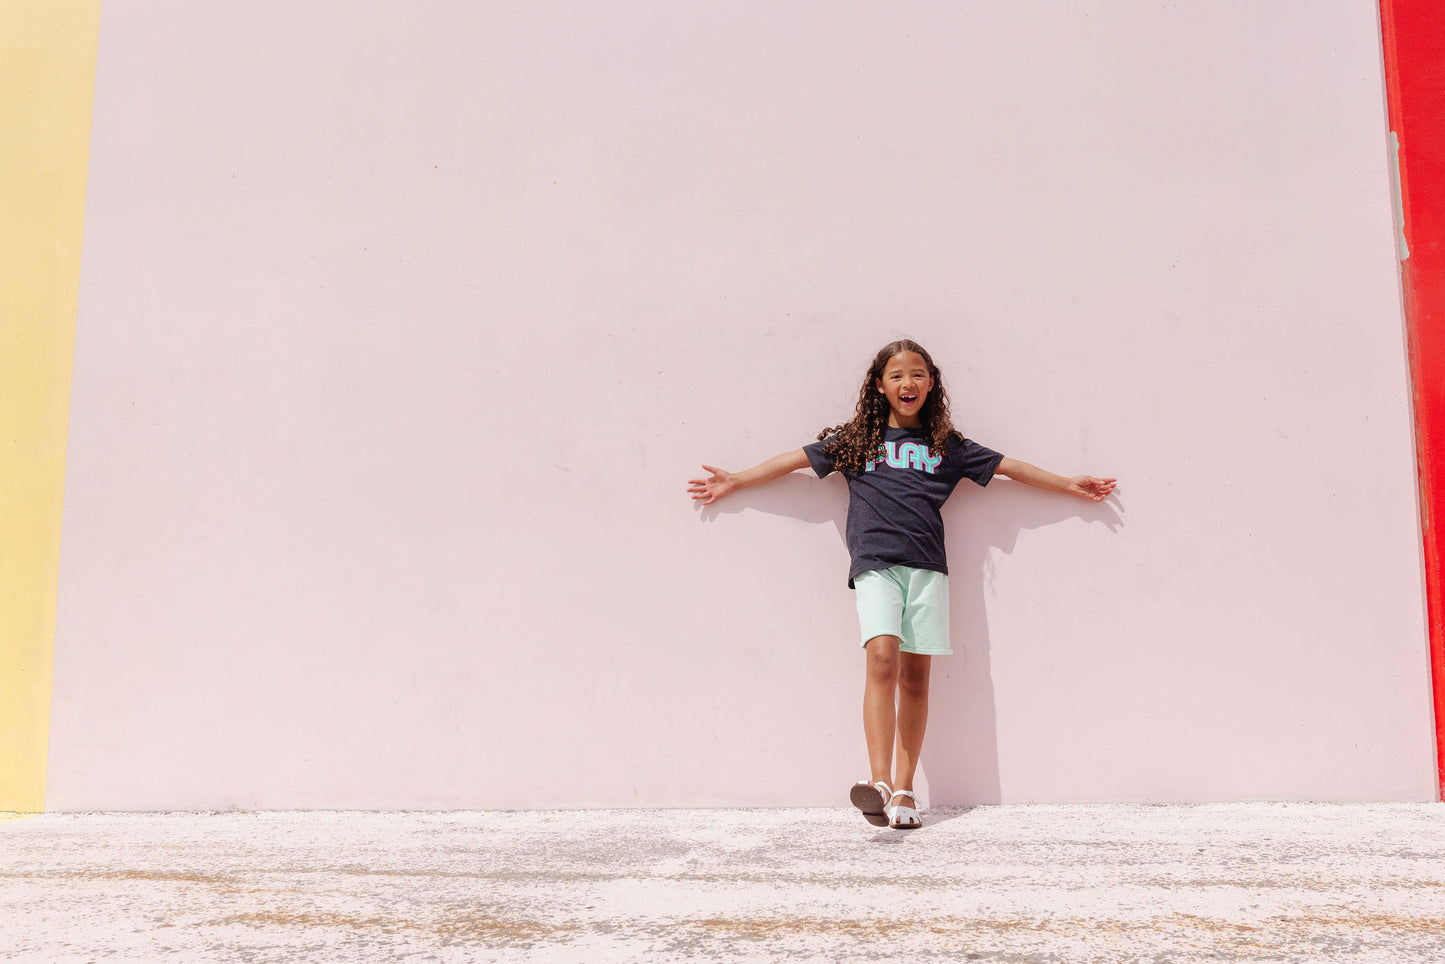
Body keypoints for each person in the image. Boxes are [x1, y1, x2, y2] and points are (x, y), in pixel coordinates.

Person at [687, 339, 1116, 829]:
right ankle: (880, 782)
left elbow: (1009, 468)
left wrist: (1068, 483)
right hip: (875, 564)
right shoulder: (858, 440)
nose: (907, 383)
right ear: (879, 385)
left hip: (928, 569)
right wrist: (736, 479)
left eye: (917, 374)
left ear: (931, 383)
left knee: (915, 677)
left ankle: (906, 792)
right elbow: (794, 460)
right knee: (882, 659)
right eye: (896, 375)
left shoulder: (947, 446)